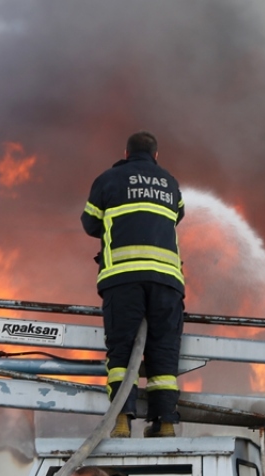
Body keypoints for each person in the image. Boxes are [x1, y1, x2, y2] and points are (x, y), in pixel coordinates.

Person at [81, 131, 185, 438]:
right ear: (156, 156)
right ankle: (165, 423)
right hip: (166, 282)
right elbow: (177, 216)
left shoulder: (109, 180)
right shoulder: (170, 183)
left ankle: (122, 421)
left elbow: (89, 224)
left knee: (122, 353)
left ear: (125, 153)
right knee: (164, 353)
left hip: (123, 279)